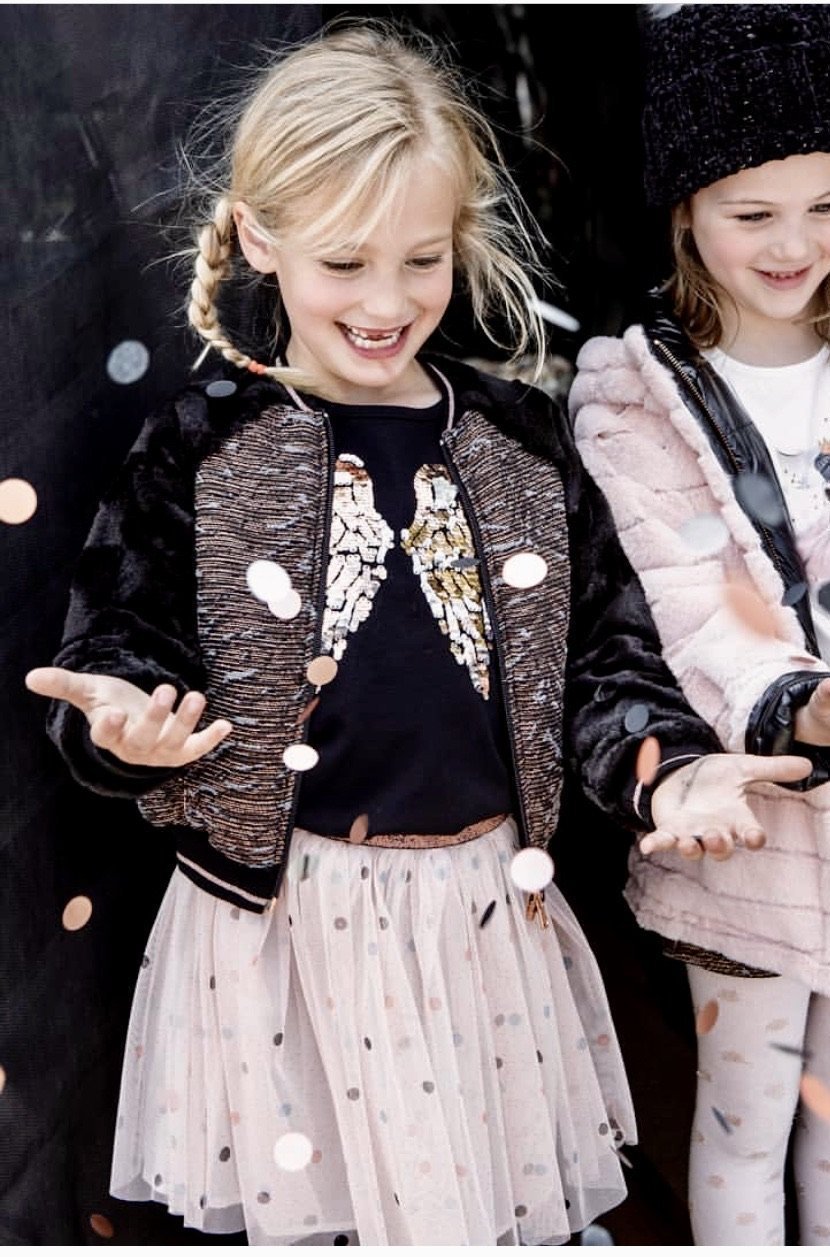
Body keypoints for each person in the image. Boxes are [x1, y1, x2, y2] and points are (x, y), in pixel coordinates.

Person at [25, 20, 813, 1248]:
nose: (387, 302)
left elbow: (603, 662)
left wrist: (673, 769)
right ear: (260, 239)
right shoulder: (199, 443)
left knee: (476, 1211)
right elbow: (123, 641)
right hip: (280, 932)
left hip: (480, 921)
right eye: (344, 263)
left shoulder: (518, 436)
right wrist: (128, 723)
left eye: (421, 259)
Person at [569, 4, 830, 1246]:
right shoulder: (635, 395)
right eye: (751, 212)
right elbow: (681, 603)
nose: (793, 244)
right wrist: (796, 702)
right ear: (684, 211)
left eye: (825, 207)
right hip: (748, 837)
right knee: (743, 1122)